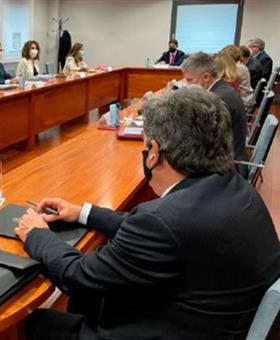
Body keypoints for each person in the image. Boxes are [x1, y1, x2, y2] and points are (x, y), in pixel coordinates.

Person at [15, 87, 280, 340]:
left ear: (153, 153)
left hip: (174, 328)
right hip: (214, 319)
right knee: (91, 294)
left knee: (37, 322)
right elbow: (157, 230)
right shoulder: (234, 188)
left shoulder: (163, 221)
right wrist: (84, 213)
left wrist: (36, 234)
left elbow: (77, 276)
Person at [181, 52, 248, 176]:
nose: (186, 85)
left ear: (206, 77)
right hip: (228, 158)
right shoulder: (221, 89)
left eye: (189, 80)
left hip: (227, 168)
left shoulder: (218, 99)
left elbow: (203, 140)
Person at [220, 45, 253, 110]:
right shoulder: (239, 65)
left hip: (242, 103)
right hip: (241, 99)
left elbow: (225, 85)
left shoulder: (238, 68)